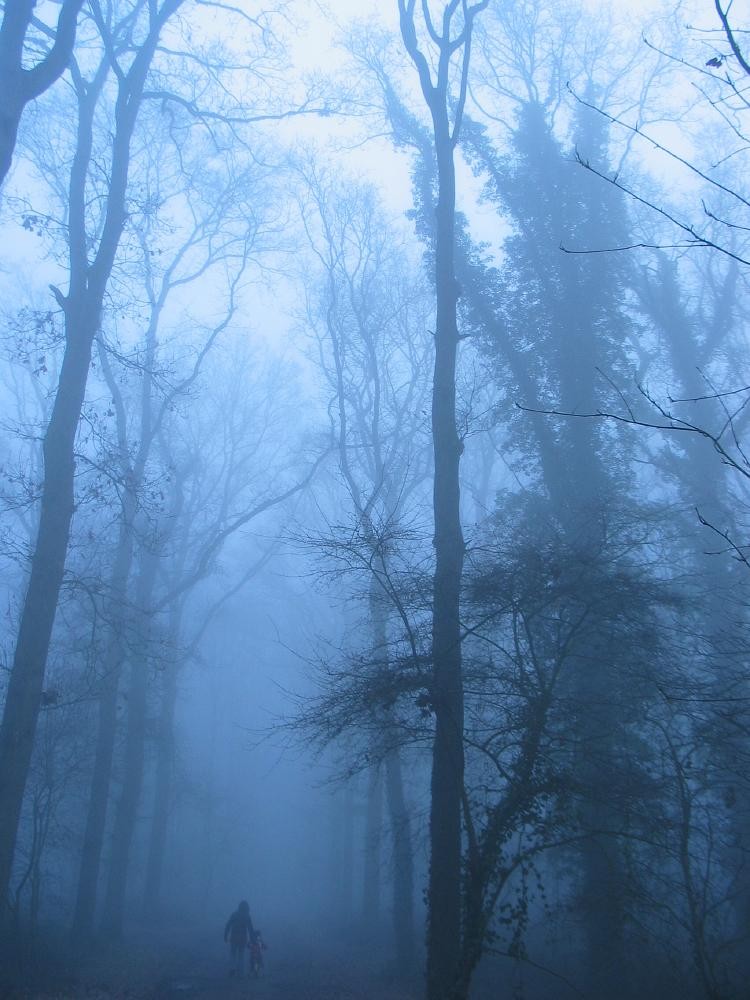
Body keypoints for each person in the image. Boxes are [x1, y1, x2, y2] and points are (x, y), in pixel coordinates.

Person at [224, 900, 254, 977]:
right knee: (241, 955)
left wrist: (225, 935)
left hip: (234, 938)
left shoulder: (234, 915)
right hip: (242, 939)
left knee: (233, 954)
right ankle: (240, 972)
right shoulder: (247, 916)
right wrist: (252, 939)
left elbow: (228, 925)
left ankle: (232, 969)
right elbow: (250, 929)